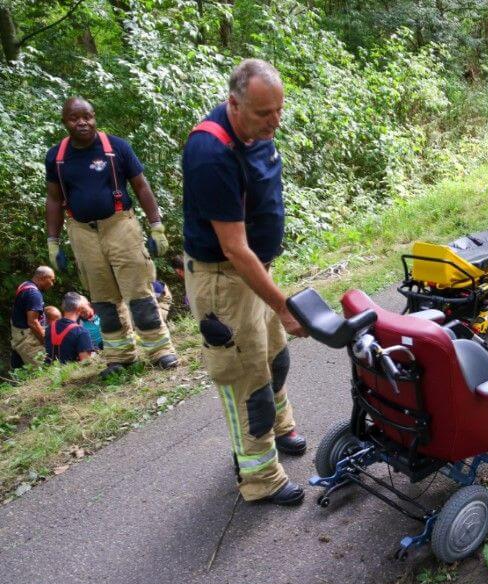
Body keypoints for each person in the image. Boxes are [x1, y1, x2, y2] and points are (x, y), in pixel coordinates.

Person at [182, 59, 308, 506]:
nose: (275, 121)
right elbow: (234, 248)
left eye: (279, 110)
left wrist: (273, 297)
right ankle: (260, 477)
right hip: (224, 280)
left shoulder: (257, 132)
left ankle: (279, 426)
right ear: (234, 104)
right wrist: (283, 305)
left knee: (274, 358)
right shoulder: (211, 152)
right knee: (245, 377)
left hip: (257, 268)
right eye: (263, 113)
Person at [45, 97, 178, 378]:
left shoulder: (116, 148)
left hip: (120, 225)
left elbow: (141, 187)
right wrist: (53, 242)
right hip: (81, 232)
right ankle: (119, 356)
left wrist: (156, 225)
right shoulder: (56, 157)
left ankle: (160, 350)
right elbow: (54, 200)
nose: (82, 122)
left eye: (87, 116)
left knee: (139, 293)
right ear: (64, 121)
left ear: (94, 117)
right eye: (74, 118)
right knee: (103, 299)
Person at [9, 266, 55, 369]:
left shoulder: (25, 285)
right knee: (44, 369)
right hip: (27, 338)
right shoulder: (34, 294)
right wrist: (46, 342)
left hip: (18, 333)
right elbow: (33, 323)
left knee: (19, 368)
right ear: (42, 277)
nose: (52, 284)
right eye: (51, 280)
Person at [45, 292, 94, 364]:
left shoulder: (50, 328)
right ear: (79, 307)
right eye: (86, 304)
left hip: (52, 372)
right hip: (71, 373)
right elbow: (86, 362)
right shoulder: (81, 332)